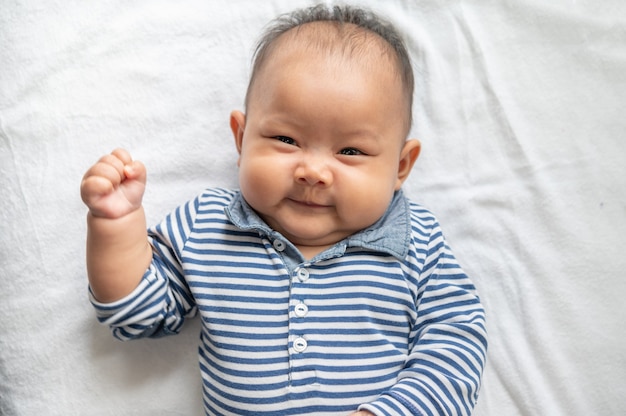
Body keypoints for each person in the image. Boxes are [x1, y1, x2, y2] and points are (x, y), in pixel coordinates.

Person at [80, 4, 487, 416]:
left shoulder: (415, 240)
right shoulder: (207, 224)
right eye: (286, 139)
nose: (312, 171)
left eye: (350, 151)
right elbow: (135, 315)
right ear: (241, 139)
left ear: (400, 167)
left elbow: (457, 341)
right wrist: (115, 225)